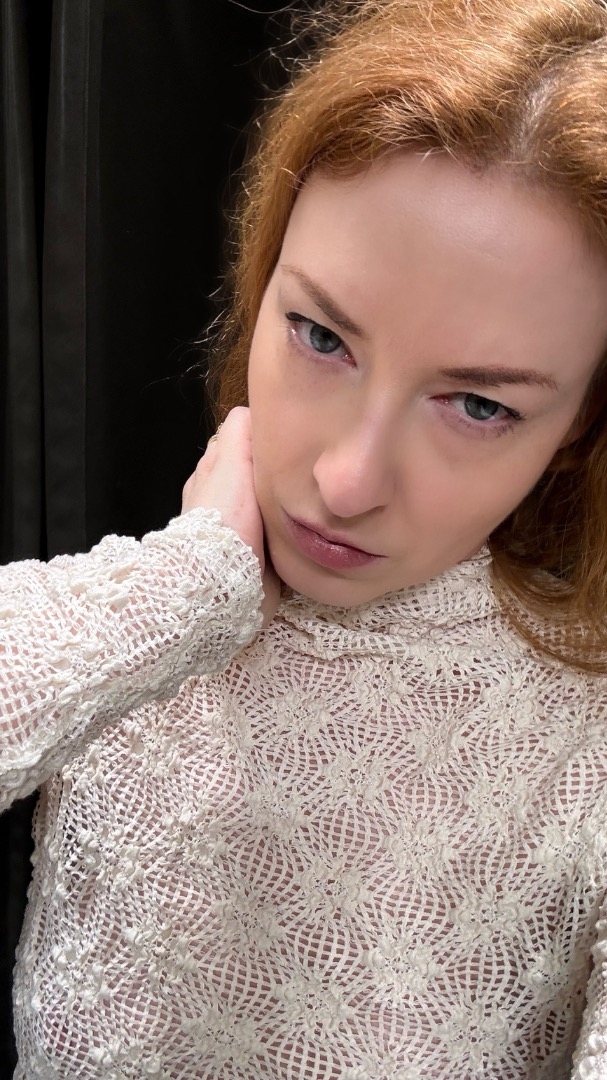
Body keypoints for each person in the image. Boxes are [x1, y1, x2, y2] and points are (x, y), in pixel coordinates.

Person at [3, 0, 607, 1075]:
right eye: (320, 335)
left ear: (578, 427)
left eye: (478, 405)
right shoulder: (136, 623)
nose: (345, 480)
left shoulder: (582, 751)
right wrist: (174, 594)